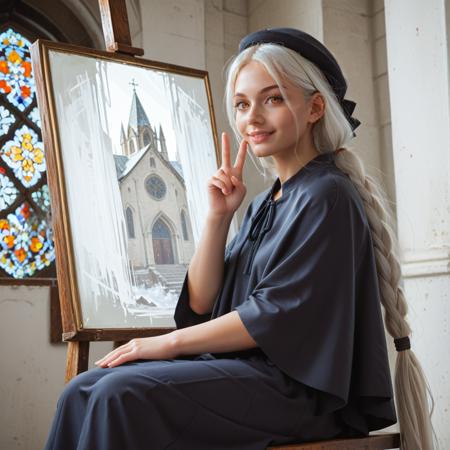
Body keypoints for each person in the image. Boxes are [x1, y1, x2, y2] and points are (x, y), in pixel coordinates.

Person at [44, 28, 436, 450]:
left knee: (115, 395)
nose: (252, 118)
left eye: (273, 99)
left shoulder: (327, 195)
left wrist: (165, 345)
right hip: (245, 374)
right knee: (80, 391)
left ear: (315, 107)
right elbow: (201, 306)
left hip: (299, 391)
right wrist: (217, 218)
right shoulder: (265, 203)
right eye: (242, 104)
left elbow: (274, 315)